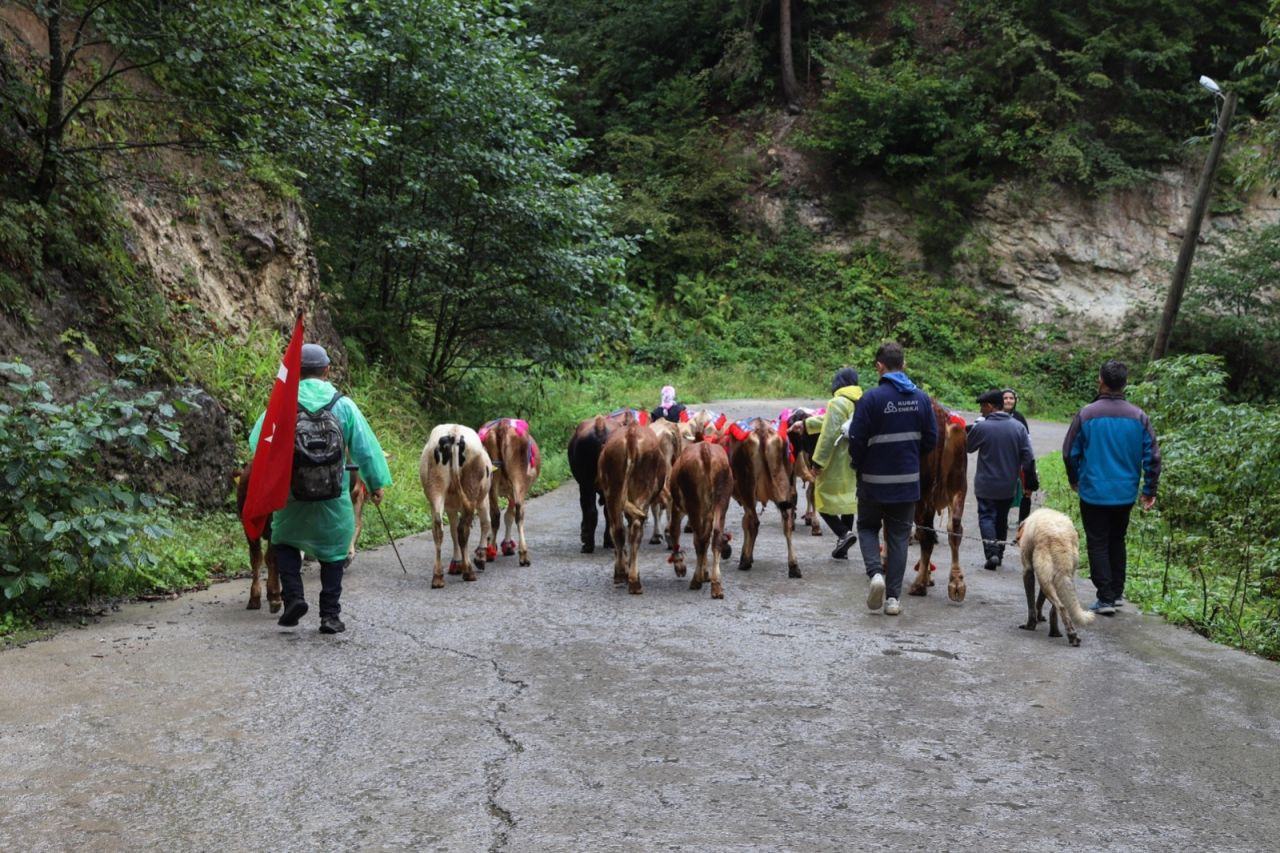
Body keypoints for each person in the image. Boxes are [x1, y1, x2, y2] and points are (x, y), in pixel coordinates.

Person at [248, 343, 392, 634]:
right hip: (334, 498)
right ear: (327, 370)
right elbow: (364, 450)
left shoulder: (283, 404)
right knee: (335, 552)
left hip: (293, 497)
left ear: (296, 373)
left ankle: (294, 598)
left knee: (284, 541)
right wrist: (375, 483)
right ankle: (329, 615)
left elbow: (257, 443)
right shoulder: (344, 404)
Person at [1062, 360, 1161, 616]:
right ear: (1125, 383)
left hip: (1094, 491)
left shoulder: (1086, 414)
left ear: (1101, 381)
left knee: (1097, 542)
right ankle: (1116, 594)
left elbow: (1069, 452)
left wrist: (1074, 478)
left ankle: (1105, 597)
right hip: (1125, 492)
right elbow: (1153, 456)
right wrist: (1149, 490)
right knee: (1117, 539)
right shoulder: (1139, 416)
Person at [847, 342, 937, 617]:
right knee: (898, 537)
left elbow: (856, 440)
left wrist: (859, 465)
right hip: (906, 484)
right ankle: (893, 599)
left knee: (866, 527)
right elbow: (931, 440)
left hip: (873, 482)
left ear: (879, 367)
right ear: (904, 365)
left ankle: (875, 574)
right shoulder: (921, 399)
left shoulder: (870, 399)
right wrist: (908, 457)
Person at [967, 389, 1038, 571]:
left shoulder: (982, 427)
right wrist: (1030, 482)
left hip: (985, 484)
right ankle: (999, 553)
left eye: (982, 407)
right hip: (1008, 485)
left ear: (990, 407)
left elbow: (968, 447)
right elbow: (1028, 458)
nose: (981, 411)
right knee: (1001, 519)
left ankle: (992, 552)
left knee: (986, 516)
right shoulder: (1018, 427)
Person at [805, 367, 863, 559]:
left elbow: (829, 433)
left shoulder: (837, 402)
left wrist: (817, 461)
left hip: (836, 461)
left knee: (821, 498)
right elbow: (831, 421)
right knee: (848, 500)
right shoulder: (861, 401)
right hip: (855, 460)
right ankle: (843, 545)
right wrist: (806, 424)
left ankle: (843, 533)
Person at [1002, 388, 1033, 525]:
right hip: (1001, 460)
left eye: (1011, 398)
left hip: (1018, 459)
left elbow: (1028, 441)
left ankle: (1023, 522)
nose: (1008, 400)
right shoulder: (994, 416)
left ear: (1015, 401)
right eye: (1005, 398)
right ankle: (1002, 520)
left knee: (1026, 489)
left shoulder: (1020, 418)